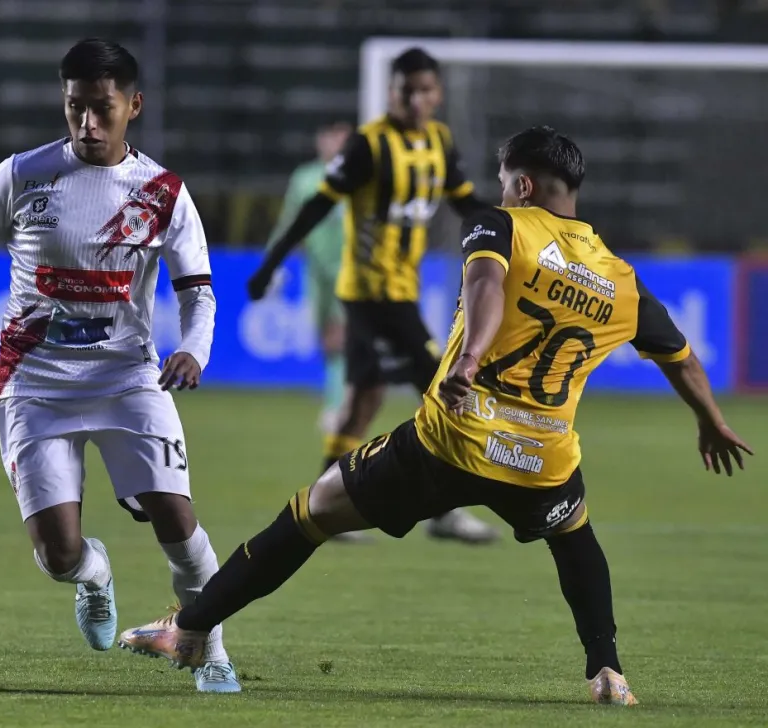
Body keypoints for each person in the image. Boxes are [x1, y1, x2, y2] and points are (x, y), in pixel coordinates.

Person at [117, 126, 753, 705]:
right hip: (543, 460)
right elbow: (683, 358)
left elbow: (484, 286)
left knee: (311, 511)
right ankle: (608, 672)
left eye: (506, 185)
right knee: (575, 540)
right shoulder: (622, 280)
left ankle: (189, 630)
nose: (501, 194)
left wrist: (471, 356)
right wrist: (710, 420)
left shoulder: (501, 225)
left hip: (455, 438)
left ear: (523, 184)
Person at [0, 38, 240, 694]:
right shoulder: (21, 175)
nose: (88, 123)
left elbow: (197, 291)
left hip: (127, 377)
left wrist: (193, 350)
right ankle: (94, 577)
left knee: (175, 516)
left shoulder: (164, 192)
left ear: (134, 106)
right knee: (59, 555)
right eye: (75, 109)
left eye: (103, 109)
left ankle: (211, 651)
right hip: (33, 385)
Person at [247, 47, 499, 544]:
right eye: (406, 90)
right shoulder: (368, 145)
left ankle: (321, 505)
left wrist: (511, 232)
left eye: (424, 90)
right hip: (371, 293)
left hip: (401, 288)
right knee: (445, 386)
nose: (415, 100)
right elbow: (319, 204)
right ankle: (444, 511)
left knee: (365, 396)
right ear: (392, 92)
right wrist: (272, 263)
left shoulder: (440, 143)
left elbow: (465, 201)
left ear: (437, 94)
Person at [268, 122, 351, 435]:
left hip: (348, 270)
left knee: (341, 337)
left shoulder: (356, 177)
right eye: (331, 136)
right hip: (315, 271)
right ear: (321, 140)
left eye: (342, 137)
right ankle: (338, 401)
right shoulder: (305, 178)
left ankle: (337, 407)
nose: (335, 143)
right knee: (327, 342)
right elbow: (289, 223)